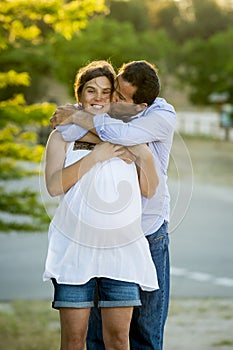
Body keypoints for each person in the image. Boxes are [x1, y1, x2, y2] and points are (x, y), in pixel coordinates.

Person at [50, 60, 176, 350]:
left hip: (147, 231)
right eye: (113, 90)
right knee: (95, 336)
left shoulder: (160, 117)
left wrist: (79, 118)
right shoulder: (110, 114)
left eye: (118, 95)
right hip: (95, 241)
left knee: (144, 331)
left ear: (139, 106)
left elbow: (120, 138)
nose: (112, 99)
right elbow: (64, 132)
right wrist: (83, 120)